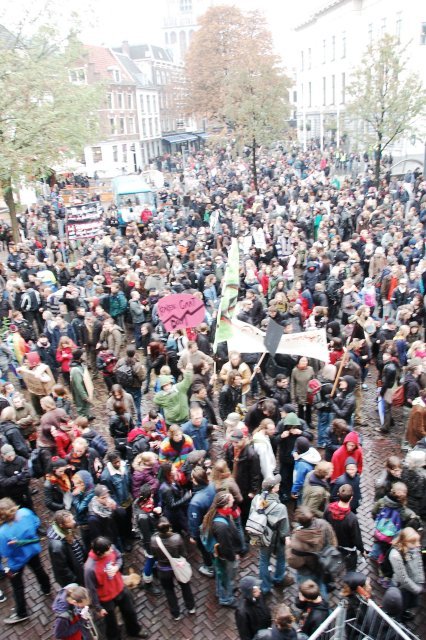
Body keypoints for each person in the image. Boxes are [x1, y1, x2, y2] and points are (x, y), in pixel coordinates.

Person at [84, 536, 149, 639]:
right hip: (106, 598)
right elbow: (91, 590)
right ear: (99, 552)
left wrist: (116, 567)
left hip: (120, 588)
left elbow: (118, 557)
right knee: (111, 624)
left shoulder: (111, 548)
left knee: (130, 612)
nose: (111, 550)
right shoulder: (90, 569)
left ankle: (134, 630)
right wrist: (98, 607)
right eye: (108, 550)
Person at [0, 497, 51, 624]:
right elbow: (36, 523)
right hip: (33, 550)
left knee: (18, 586)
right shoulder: (25, 512)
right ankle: (47, 588)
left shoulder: (2, 532)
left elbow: (6, 553)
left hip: (17, 561)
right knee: (39, 570)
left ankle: (21, 612)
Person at [248, 475, 292, 595]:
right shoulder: (280, 507)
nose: (279, 485)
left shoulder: (256, 499)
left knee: (263, 561)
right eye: (277, 484)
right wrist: (287, 539)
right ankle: (278, 578)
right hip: (276, 538)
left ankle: (265, 587)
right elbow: (284, 530)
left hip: (261, 535)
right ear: (273, 489)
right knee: (281, 558)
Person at [286, 506, 337, 601]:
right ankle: (324, 606)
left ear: (299, 521)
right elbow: (333, 542)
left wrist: (288, 546)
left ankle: (309, 607)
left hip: (307, 570)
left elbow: (293, 562)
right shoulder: (324, 524)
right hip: (322, 565)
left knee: (307, 590)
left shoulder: (296, 540)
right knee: (320, 586)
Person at [201, 492, 242, 608]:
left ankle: (221, 592)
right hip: (225, 557)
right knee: (226, 576)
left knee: (221, 574)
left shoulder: (219, 514)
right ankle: (226, 599)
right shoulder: (221, 526)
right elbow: (226, 547)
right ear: (225, 505)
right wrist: (233, 556)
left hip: (219, 555)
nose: (233, 501)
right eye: (231, 500)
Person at [150, 516, 196, 620]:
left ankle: (176, 614)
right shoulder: (177, 538)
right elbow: (184, 553)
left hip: (163, 570)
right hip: (178, 568)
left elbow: (154, 555)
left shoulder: (153, 540)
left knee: (169, 591)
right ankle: (191, 607)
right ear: (169, 527)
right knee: (185, 587)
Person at [225, 428, 261, 526]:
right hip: (233, 483)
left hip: (244, 487)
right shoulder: (230, 449)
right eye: (232, 442)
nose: (234, 445)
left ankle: (245, 525)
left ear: (243, 440)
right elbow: (227, 463)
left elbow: (255, 474)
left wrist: (253, 491)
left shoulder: (251, 455)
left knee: (245, 509)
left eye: (236, 442)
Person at [324, 484, 365, 571]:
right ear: (351, 498)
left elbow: (325, 524)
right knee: (350, 569)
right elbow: (357, 538)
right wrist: (362, 550)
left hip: (332, 544)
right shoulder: (352, 518)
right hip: (347, 549)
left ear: (338, 494)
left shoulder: (328, 508)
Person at [388, 527, 425, 621]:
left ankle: (403, 613)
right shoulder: (395, 555)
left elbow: (419, 562)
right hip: (401, 588)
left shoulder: (415, 547)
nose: (417, 545)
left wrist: (420, 580)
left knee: (407, 604)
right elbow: (403, 579)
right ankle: (398, 621)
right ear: (404, 541)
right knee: (399, 607)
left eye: (417, 541)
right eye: (413, 543)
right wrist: (417, 589)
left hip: (413, 584)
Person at [187, 466, 216, 578]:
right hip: (213, 522)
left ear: (195, 480)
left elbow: (194, 522)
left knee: (204, 549)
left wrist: (194, 536)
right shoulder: (212, 485)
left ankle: (209, 567)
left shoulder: (195, 502)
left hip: (204, 528)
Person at [47, 509, 87, 586]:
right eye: (70, 521)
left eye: (72, 519)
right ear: (62, 525)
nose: (74, 522)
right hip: (76, 575)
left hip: (79, 566)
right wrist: (76, 581)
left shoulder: (65, 530)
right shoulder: (57, 546)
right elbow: (63, 570)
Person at [235, 575, 272, 640]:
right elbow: (245, 635)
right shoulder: (242, 612)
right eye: (256, 590)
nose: (260, 591)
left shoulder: (259, 595)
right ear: (250, 593)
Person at [0, 443, 33, 508]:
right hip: (12, 494)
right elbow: (3, 482)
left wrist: (16, 482)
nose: (11, 458)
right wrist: (17, 477)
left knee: (30, 506)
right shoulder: (1, 466)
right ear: (3, 456)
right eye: (8, 456)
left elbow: (27, 475)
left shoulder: (21, 460)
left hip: (24, 490)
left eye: (12, 455)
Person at [291, 437, 321, 503]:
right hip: (311, 485)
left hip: (303, 489)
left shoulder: (302, 465)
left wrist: (294, 491)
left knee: (301, 504)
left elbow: (299, 481)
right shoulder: (312, 451)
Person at [70, 349, 94, 419]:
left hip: (85, 388)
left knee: (86, 405)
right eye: (84, 355)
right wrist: (85, 396)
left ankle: (87, 416)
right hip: (80, 393)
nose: (85, 356)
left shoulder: (81, 365)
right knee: (81, 407)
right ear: (79, 357)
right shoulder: (75, 370)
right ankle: (83, 420)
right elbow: (78, 386)